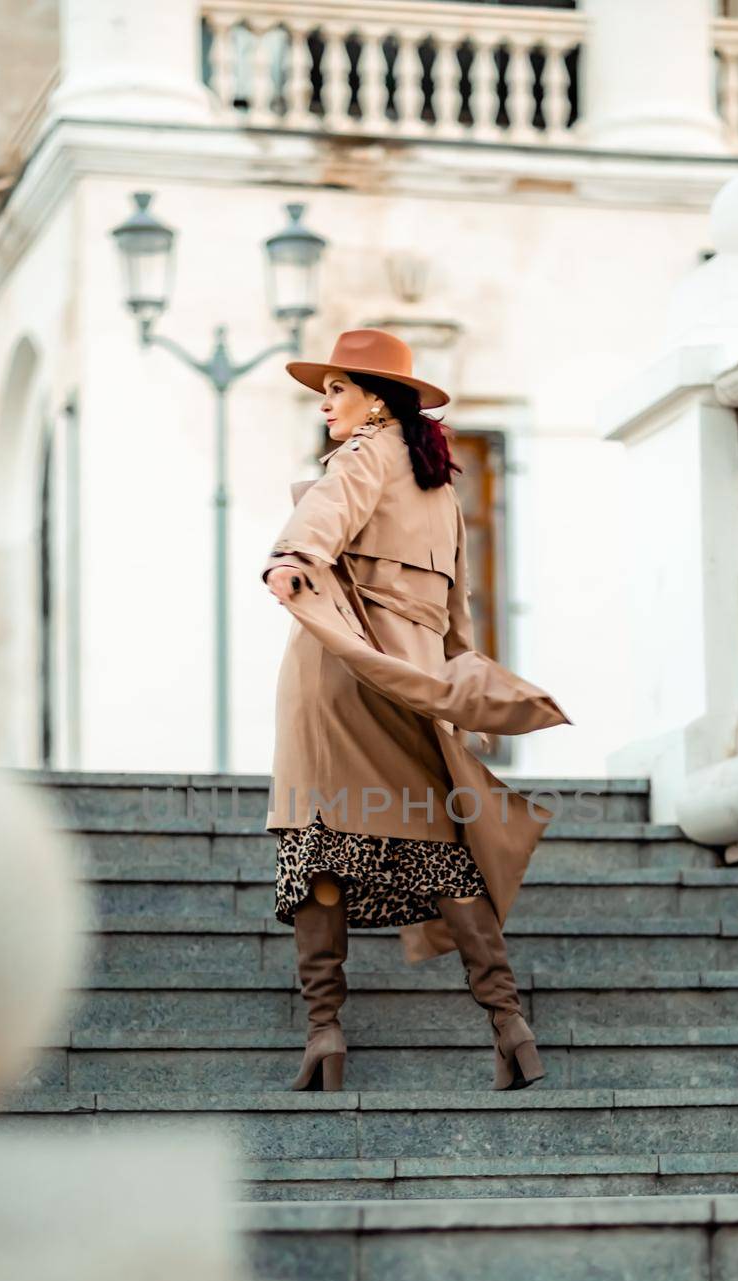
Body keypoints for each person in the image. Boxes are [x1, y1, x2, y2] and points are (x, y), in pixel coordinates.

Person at [261, 328, 571, 1095]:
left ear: (374, 399)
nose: (326, 403)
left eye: (336, 388)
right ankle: (508, 1025)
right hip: (413, 682)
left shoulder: (363, 455)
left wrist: (290, 560)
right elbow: (458, 616)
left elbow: (323, 517)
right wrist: (455, 698)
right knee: (441, 850)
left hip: (339, 675)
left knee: (318, 847)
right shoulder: (442, 488)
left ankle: (324, 1033)